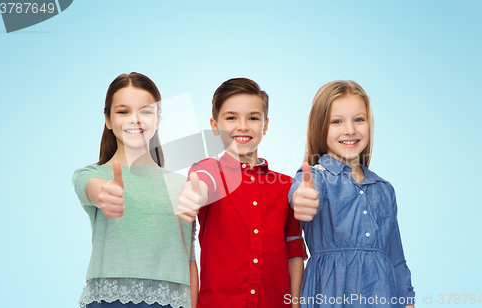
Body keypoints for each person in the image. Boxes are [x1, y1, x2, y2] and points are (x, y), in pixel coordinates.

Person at [177, 78, 306, 308]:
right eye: (231, 117)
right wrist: (194, 195)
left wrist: (295, 305)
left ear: (265, 126)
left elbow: (294, 252)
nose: (243, 126)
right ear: (214, 126)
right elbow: (202, 183)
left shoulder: (287, 186)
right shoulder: (208, 171)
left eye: (253, 118)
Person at [72, 72, 198, 308]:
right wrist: (103, 193)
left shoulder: (181, 185)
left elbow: (189, 258)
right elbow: (90, 189)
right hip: (109, 302)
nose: (135, 119)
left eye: (146, 111)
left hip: (171, 303)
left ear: (158, 119)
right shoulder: (93, 175)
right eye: (123, 111)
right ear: (108, 120)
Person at [289, 80, 415, 308]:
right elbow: (300, 193)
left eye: (359, 119)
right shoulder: (316, 177)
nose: (350, 130)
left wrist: (408, 301)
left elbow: (396, 258)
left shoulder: (384, 188)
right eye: (336, 121)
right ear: (320, 127)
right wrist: (302, 199)